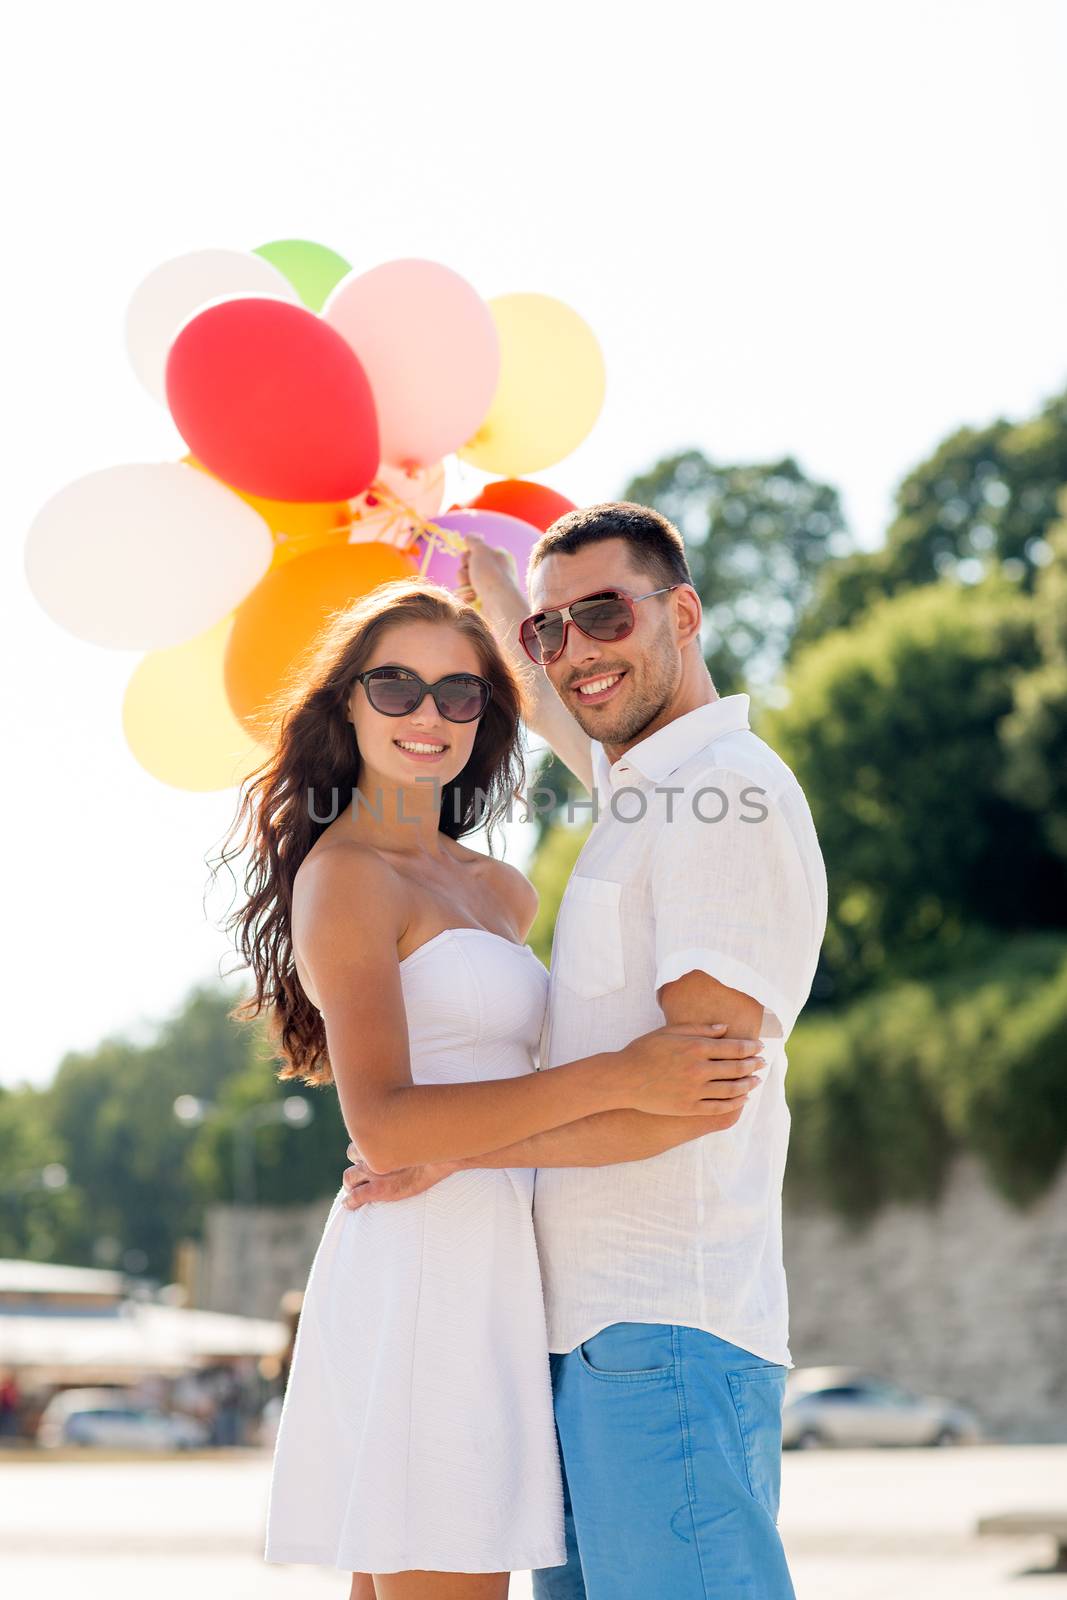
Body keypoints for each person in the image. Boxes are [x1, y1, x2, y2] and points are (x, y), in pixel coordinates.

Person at [211, 577, 765, 1600]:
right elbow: (382, 1124)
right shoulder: (345, 876)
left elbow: (646, 764)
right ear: (345, 704)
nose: (428, 714)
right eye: (396, 686)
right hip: (425, 1263)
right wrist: (625, 1075)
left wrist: (507, 598)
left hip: (499, 1255)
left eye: (460, 694)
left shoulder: (494, 887)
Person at [341, 504, 828, 1600]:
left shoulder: (726, 796)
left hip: (661, 1330)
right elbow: (568, 710)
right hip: (584, 1337)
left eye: (602, 614)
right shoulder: (646, 788)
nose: (575, 652)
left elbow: (691, 1092)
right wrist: (491, 589)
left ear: (684, 612)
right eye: (550, 633)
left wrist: (457, 1151)